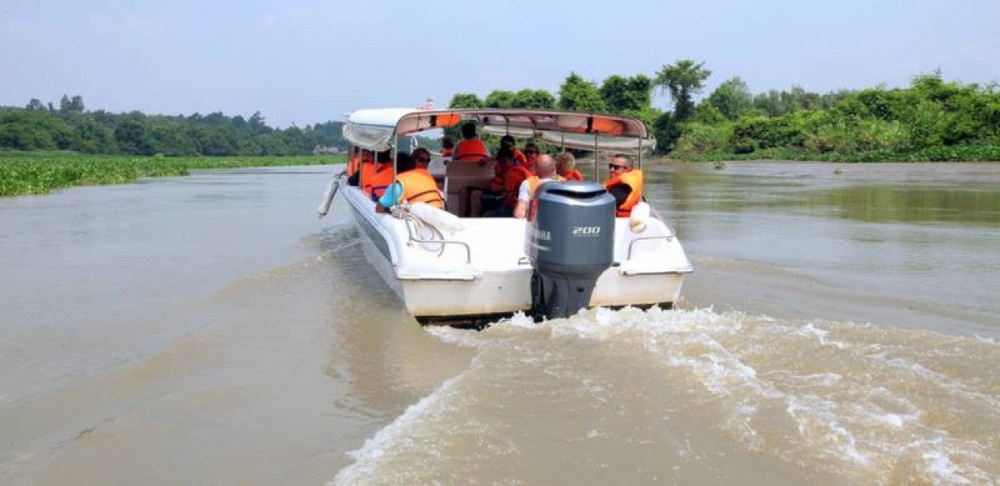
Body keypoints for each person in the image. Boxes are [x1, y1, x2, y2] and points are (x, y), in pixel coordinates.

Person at [376, 149, 445, 212]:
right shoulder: (428, 178)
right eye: (421, 160)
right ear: (413, 163)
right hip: (439, 213)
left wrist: (391, 209)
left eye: (428, 161)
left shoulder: (399, 184)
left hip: (424, 218)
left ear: (393, 167)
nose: (425, 163)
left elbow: (379, 209)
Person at [481, 147, 530, 217]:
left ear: (512, 160)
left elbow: (508, 198)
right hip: (525, 206)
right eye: (500, 162)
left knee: (486, 215)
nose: (502, 165)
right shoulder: (521, 169)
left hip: (518, 209)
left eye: (504, 161)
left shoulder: (512, 174)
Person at [514, 154, 564, 219]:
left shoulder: (528, 183)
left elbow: (519, 212)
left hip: (536, 224)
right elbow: (554, 176)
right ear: (554, 168)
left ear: (535, 169)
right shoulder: (565, 182)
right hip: (559, 222)